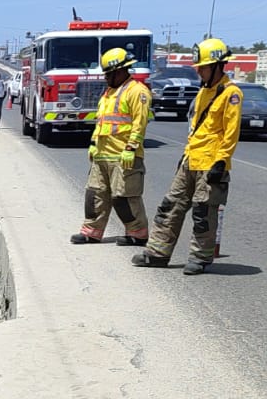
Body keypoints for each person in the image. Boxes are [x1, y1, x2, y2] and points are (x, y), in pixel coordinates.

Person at [132, 38, 242, 275]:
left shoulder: (230, 93)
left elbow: (230, 132)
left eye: (202, 67)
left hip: (211, 163)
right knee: (170, 206)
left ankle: (200, 258)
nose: (199, 71)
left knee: (204, 212)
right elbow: (197, 128)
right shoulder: (203, 91)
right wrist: (186, 156)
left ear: (217, 65)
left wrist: (221, 161)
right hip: (191, 159)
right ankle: (157, 253)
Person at [72, 48, 151, 246]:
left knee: (124, 197)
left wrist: (131, 148)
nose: (106, 77)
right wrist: (92, 144)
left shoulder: (137, 92)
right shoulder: (109, 92)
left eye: (108, 73)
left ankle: (137, 233)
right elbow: (101, 122)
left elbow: (139, 123)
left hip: (123, 155)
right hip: (102, 154)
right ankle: (91, 231)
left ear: (121, 71)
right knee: (94, 194)